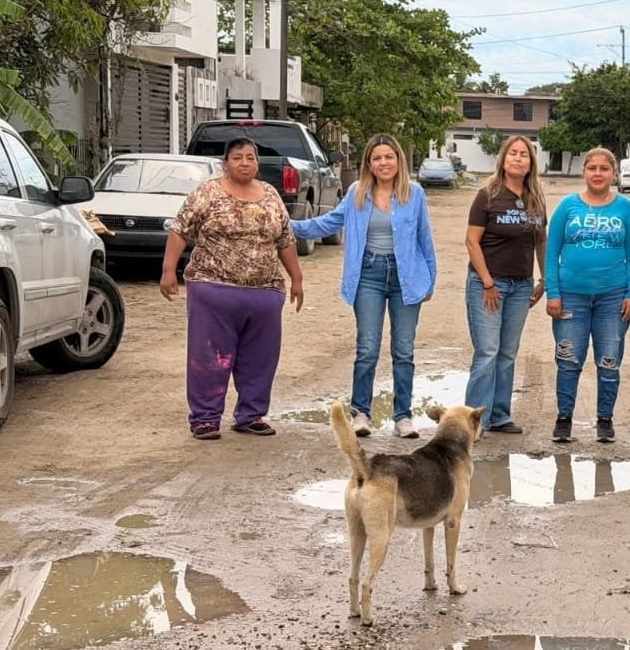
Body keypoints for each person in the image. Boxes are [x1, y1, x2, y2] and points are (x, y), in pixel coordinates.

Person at [290, 133, 437, 438]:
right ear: (368, 163)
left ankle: (403, 417)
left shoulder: (414, 193)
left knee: (404, 351)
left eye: (389, 157)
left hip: (406, 278)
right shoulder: (358, 192)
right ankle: (361, 414)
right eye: (377, 158)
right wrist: (289, 225)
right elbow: (328, 223)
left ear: (399, 160)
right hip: (368, 275)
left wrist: (430, 280)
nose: (383, 163)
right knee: (367, 348)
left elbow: (425, 239)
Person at [161, 137, 303, 440]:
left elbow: (285, 239)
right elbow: (180, 230)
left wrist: (297, 279)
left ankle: (251, 415)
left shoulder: (271, 195)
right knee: (209, 359)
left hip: (265, 292)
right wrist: (168, 270)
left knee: (260, 359)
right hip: (212, 289)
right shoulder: (207, 193)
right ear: (225, 163)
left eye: (250, 157)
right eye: (237, 157)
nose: (244, 163)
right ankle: (205, 418)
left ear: (257, 163)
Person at [545, 148, 630, 444]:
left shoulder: (625, 208)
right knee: (568, 359)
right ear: (584, 171)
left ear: (614, 173)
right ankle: (564, 419)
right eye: (592, 168)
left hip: (613, 297)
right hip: (571, 296)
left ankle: (604, 419)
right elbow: (551, 252)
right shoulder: (567, 206)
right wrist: (553, 292)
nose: (598, 173)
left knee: (609, 360)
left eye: (604, 168)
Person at [463, 136, 547, 435]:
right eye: (513, 153)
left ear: (531, 163)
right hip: (488, 284)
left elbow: (541, 240)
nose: (518, 158)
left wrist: (544, 278)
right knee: (487, 352)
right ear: (503, 158)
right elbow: (472, 241)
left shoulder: (535, 197)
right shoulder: (487, 194)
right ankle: (472, 422)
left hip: (521, 285)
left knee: (507, 353)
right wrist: (488, 283)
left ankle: (499, 415)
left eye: (524, 154)